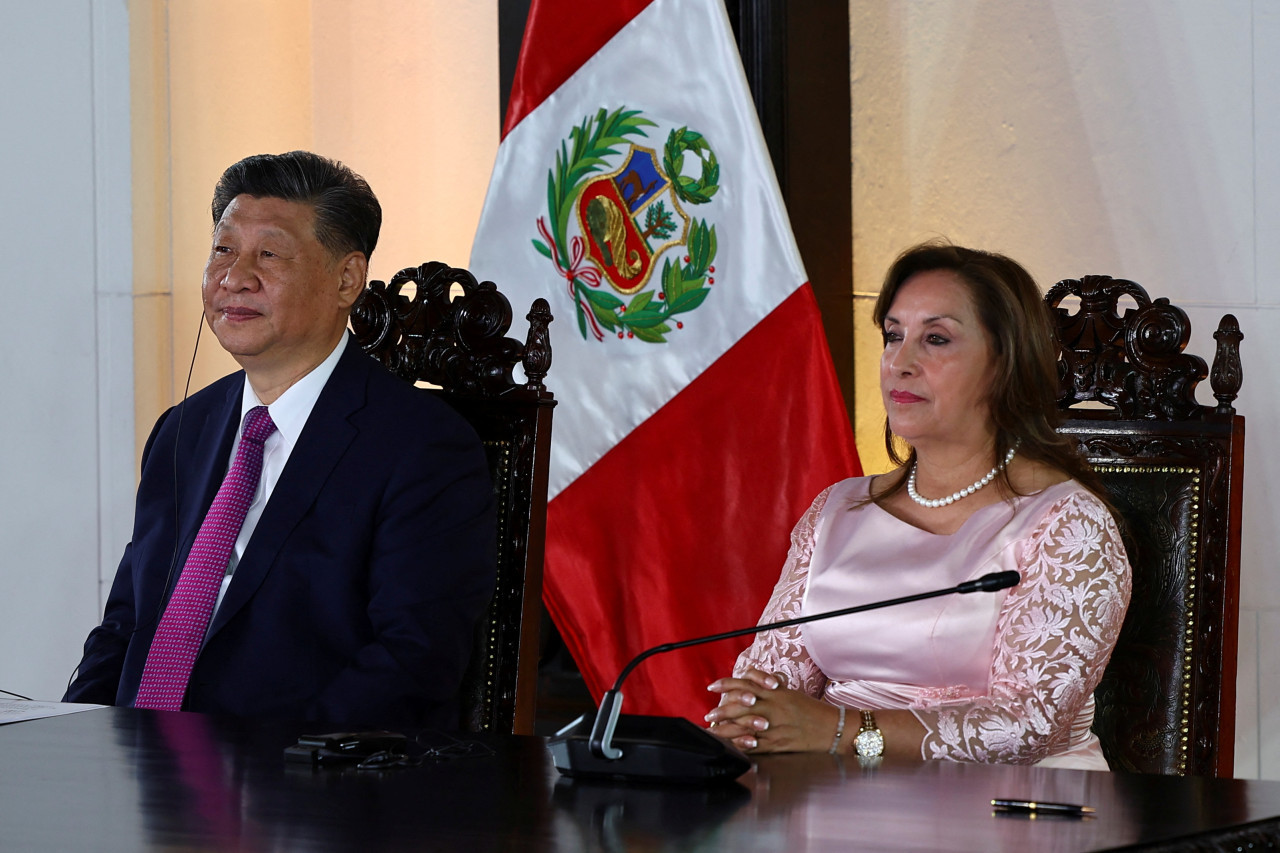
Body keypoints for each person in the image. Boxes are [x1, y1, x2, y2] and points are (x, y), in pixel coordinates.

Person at [64, 151, 496, 729]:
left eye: (268, 253)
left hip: (297, 791)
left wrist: (263, 774)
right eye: (223, 250)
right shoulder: (182, 430)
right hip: (139, 771)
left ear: (346, 279)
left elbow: (413, 661)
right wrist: (73, 736)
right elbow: (125, 625)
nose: (234, 277)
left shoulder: (422, 448)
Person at [705, 242, 1132, 769]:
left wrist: (842, 731)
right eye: (893, 335)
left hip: (1009, 812)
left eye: (936, 338)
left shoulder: (1066, 522)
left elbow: (1029, 726)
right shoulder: (837, 510)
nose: (900, 363)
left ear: (1004, 363)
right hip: (830, 796)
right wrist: (749, 714)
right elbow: (768, 681)